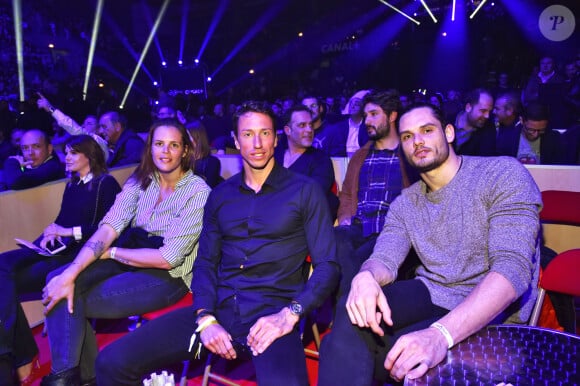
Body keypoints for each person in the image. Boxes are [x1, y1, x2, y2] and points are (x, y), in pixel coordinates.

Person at [95, 101, 339, 386]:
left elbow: (328, 267)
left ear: (276, 139)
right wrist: (205, 316)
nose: (257, 143)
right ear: (236, 140)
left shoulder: (305, 191)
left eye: (264, 133)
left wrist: (289, 315)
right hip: (218, 311)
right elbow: (206, 263)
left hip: (272, 319)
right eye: (247, 134)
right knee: (111, 362)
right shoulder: (220, 195)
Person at [318, 103, 542, 385]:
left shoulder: (501, 174)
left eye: (427, 130)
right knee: (354, 313)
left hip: (496, 312)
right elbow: (385, 257)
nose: (418, 141)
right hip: (434, 292)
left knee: (396, 363)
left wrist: (439, 335)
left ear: (448, 132)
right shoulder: (405, 203)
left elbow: (512, 270)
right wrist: (367, 275)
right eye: (408, 136)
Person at [40, 119, 211, 385]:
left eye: (174, 145)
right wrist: (73, 270)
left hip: (169, 277)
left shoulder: (198, 192)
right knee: (59, 279)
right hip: (129, 257)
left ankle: (72, 378)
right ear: (150, 148)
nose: (165, 152)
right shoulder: (140, 182)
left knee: (69, 299)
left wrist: (110, 254)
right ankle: (76, 377)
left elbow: (168, 259)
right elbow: (108, 228)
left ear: (185, 151)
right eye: (159, 144)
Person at [0, 135, 121, 385]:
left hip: (79, 256)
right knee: (2, 269)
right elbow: (61, 221)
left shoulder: (106, 183)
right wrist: (45, 237)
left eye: (73, 153)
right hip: (57, 249)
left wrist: (67, 232)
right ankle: (20, 352)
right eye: (66, 152)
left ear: (90, 156)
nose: (66, 157)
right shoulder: (72, 184)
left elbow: (108, 230)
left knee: (7, 281)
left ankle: (17, 355)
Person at [334, 90, 416, 297]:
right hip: (359, 227)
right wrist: (344, 218)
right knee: (335, 238)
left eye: (373, 114)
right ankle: (351, 310)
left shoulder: (408, 155)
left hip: (390, 233)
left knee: (355, 260)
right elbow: (347, 195)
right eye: (366, 115)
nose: (367, 120)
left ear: (392, 116)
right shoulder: (361, 155)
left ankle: (347, 309)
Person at [274, 105, 339, 219]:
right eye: (302, 125)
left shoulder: (321, 160)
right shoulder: (274, 157)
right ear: (288, 130)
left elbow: (312, 194)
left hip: (304, 223)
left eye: (310, 125)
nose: (309, 130)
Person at [36, 92, 108, 161]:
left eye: (89, 123)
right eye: (84, 123)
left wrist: (50, 108)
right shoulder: (80, 143)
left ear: (98, 129)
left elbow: (73, 127)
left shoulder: (99, 142)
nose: (84, 126)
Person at [496, 102, 568, 165]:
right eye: (531, 130)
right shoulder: (506, 138)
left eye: (541, 130)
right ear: (521, 120)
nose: (535, 135)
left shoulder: (554, 139)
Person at [453, 88, 496, 156]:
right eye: (483, 111)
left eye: (489, 111)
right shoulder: (446, 121)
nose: (487, 116)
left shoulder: (489, 129)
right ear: (468, 107)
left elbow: (485, 160)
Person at [186, 120, 223, 188]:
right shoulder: (183, 161)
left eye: (188, 137)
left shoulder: (212, 162)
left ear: (197, 139)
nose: (185, 141)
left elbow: (207, 188)